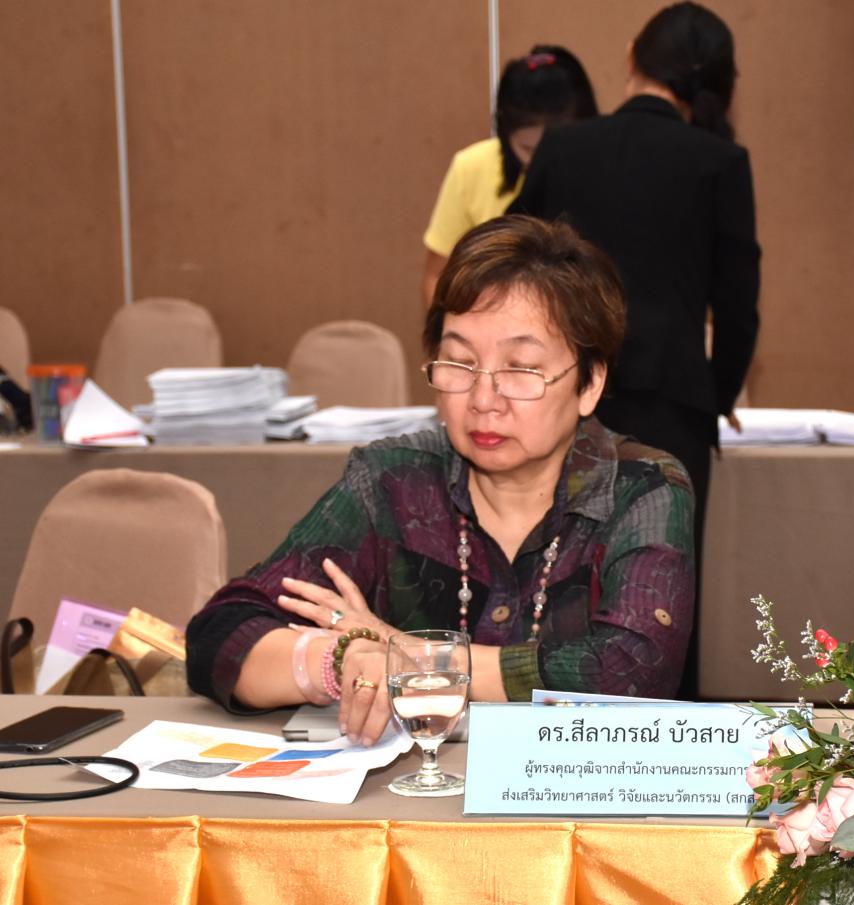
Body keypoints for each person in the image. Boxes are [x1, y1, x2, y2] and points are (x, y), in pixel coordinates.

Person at [187, 215, 695, 746]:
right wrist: (339, 659)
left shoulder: (642, 487)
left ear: (589, 383)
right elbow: (219, 634)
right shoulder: (392, 479)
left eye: (521, 368)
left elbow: (631, 675)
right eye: (459, 363)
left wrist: (407, 654)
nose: (483, 399)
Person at [509, 2, 760, 698]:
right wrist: (717, 394)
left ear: (631, 57)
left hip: (562, 395)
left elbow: (510, 263)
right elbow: (738, 304)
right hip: (673, 403)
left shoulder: (566, 147)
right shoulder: (720, 160)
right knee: (663, 588)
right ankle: (666, 734)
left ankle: (540, 716)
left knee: (552, 574)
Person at [420, 45, 597, 306]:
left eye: (556, 148)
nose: (542, 161)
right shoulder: (472, 167)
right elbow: (436, 275)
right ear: (505, 132)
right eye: (528, 149)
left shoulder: (607, 171)